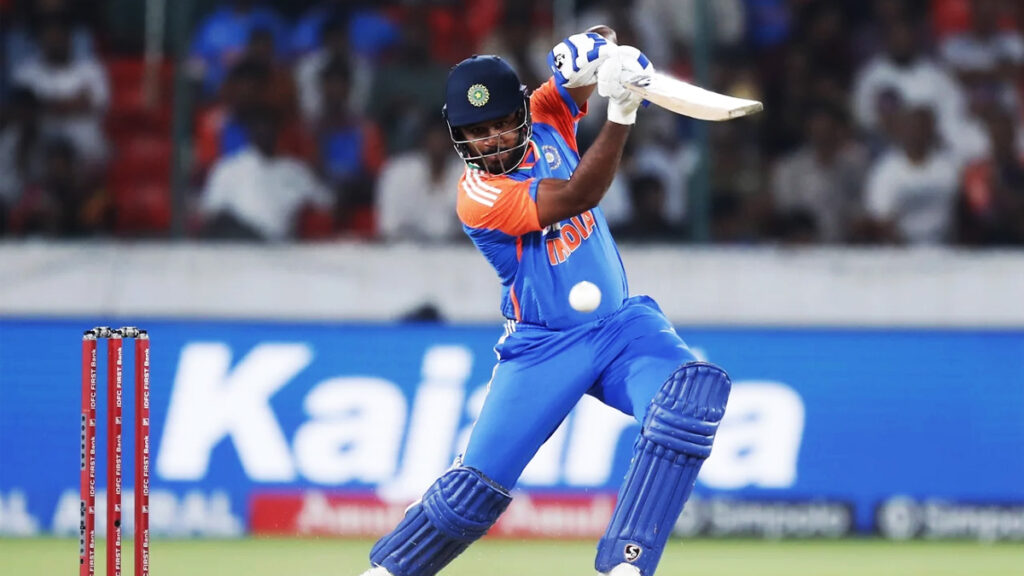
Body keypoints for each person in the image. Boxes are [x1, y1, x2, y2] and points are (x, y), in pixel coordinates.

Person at [359, 27, 732, 576]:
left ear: (522, 112)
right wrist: (621, 113)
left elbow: (592, 54)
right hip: (543, 346)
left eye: (500, 123)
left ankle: (627, 564)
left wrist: (596, 50)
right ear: (459, 137)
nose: (490, 140)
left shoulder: (547, 113)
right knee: (471, 495)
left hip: (621, 327)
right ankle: (388, 569)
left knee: (689, 399)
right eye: (476, 132)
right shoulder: (478, 195)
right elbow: (581, 193)